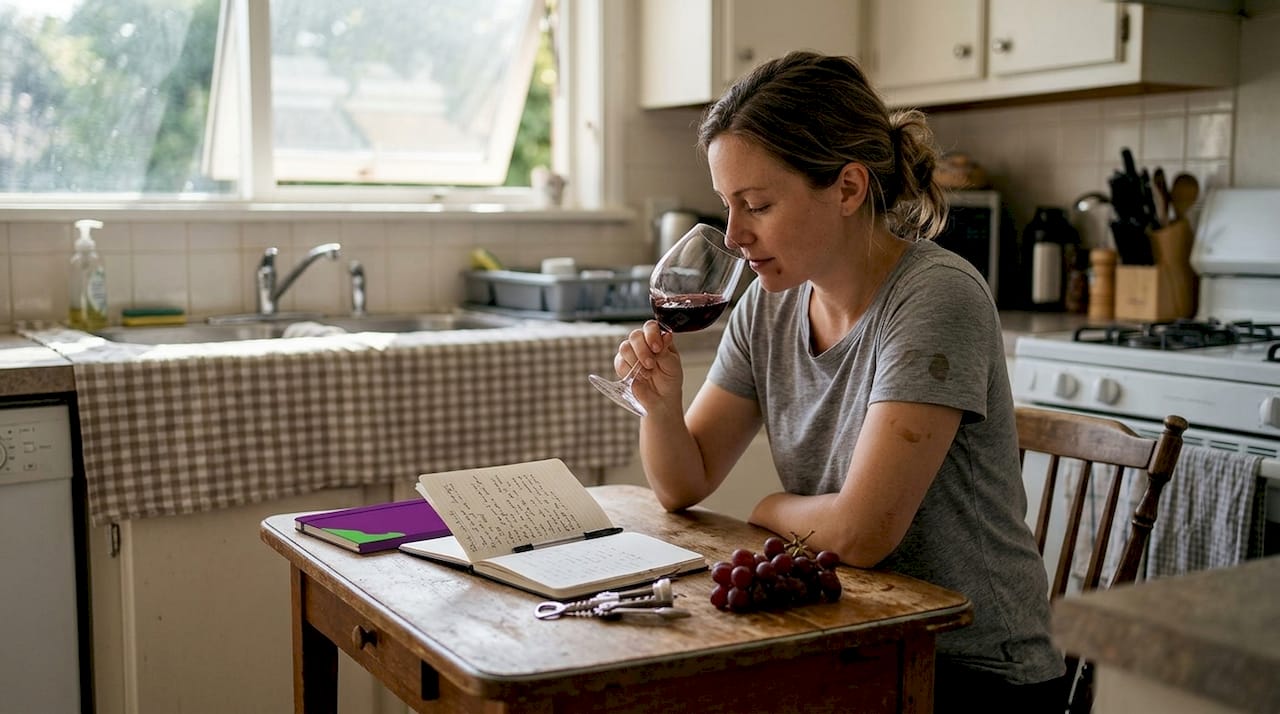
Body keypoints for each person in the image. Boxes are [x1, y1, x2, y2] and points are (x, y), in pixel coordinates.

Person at [610, 51, 1067, 711]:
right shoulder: (771, 302)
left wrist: (768, 510)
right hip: (849, 637)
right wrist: (660, 408)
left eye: (757, 204)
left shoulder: (936, 299)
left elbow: (861, 533)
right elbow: (682, 483)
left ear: (848, 189)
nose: (734, 236)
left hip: (971, 671)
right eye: (727, 207)